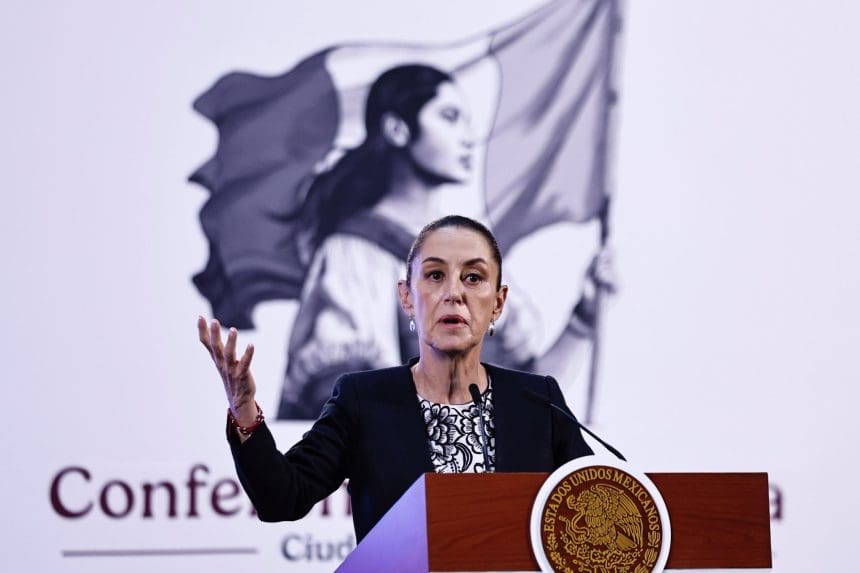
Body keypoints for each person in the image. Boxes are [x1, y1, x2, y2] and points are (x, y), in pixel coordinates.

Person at [198, 215, 594, 542]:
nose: (454, 293)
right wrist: (244, 408)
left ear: (499, 302)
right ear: (406, 297)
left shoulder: (538, 401)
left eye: (473, 278)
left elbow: (596, 511)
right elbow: (281, 498)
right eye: (435, 276)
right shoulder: (364, 400)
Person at [278, 63, 612, 419]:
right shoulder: (355, 251)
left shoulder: (475, 250)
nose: (469, 137)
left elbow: (528, 411)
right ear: (397, 129)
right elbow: (351, 409)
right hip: (405, 474)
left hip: (480, 473)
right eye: (450, 117)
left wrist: (583, 319)